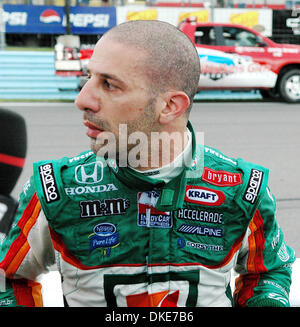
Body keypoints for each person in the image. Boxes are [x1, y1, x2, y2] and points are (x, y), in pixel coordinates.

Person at [0, 20, 295, 307]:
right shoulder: (55, 188)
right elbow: (9, 279)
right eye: (89, 77)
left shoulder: (244, 188)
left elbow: (267, 272)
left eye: (109, 85)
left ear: (169, 106)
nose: (83, 99)